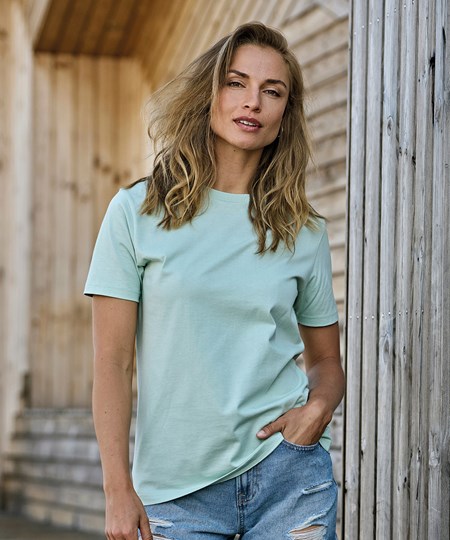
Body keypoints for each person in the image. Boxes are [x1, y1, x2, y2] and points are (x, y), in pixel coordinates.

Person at [84, 21, 345, 540]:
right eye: (236, 83)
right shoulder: (137, 212)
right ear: (209, 94)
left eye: (272, 92)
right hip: (176, 492)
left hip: (288, 477)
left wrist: (316, 411)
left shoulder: (303, 230)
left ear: (284, 115)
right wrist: (117, 489)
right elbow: (112, 363)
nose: (253, 102)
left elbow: (325, 362)